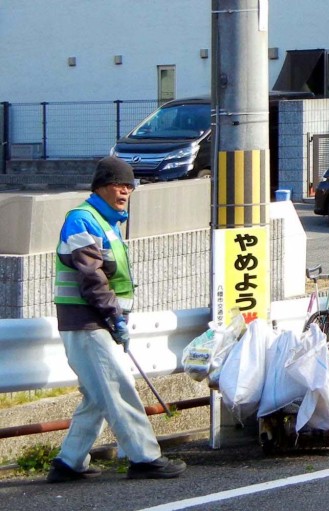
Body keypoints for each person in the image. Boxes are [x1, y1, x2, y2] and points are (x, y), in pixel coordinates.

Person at [48, 156, 186, 482]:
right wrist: (114, 317)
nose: (124, 191)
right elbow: (92, 277)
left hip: (95, 321)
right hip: (88, 322)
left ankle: (68, 463)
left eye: (129, 186)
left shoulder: (106, 222)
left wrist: (116, 318)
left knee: (98, 395)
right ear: (100, 187)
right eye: (117, 184)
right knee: (119, 389)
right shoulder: (83, 220)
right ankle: (145, 457)